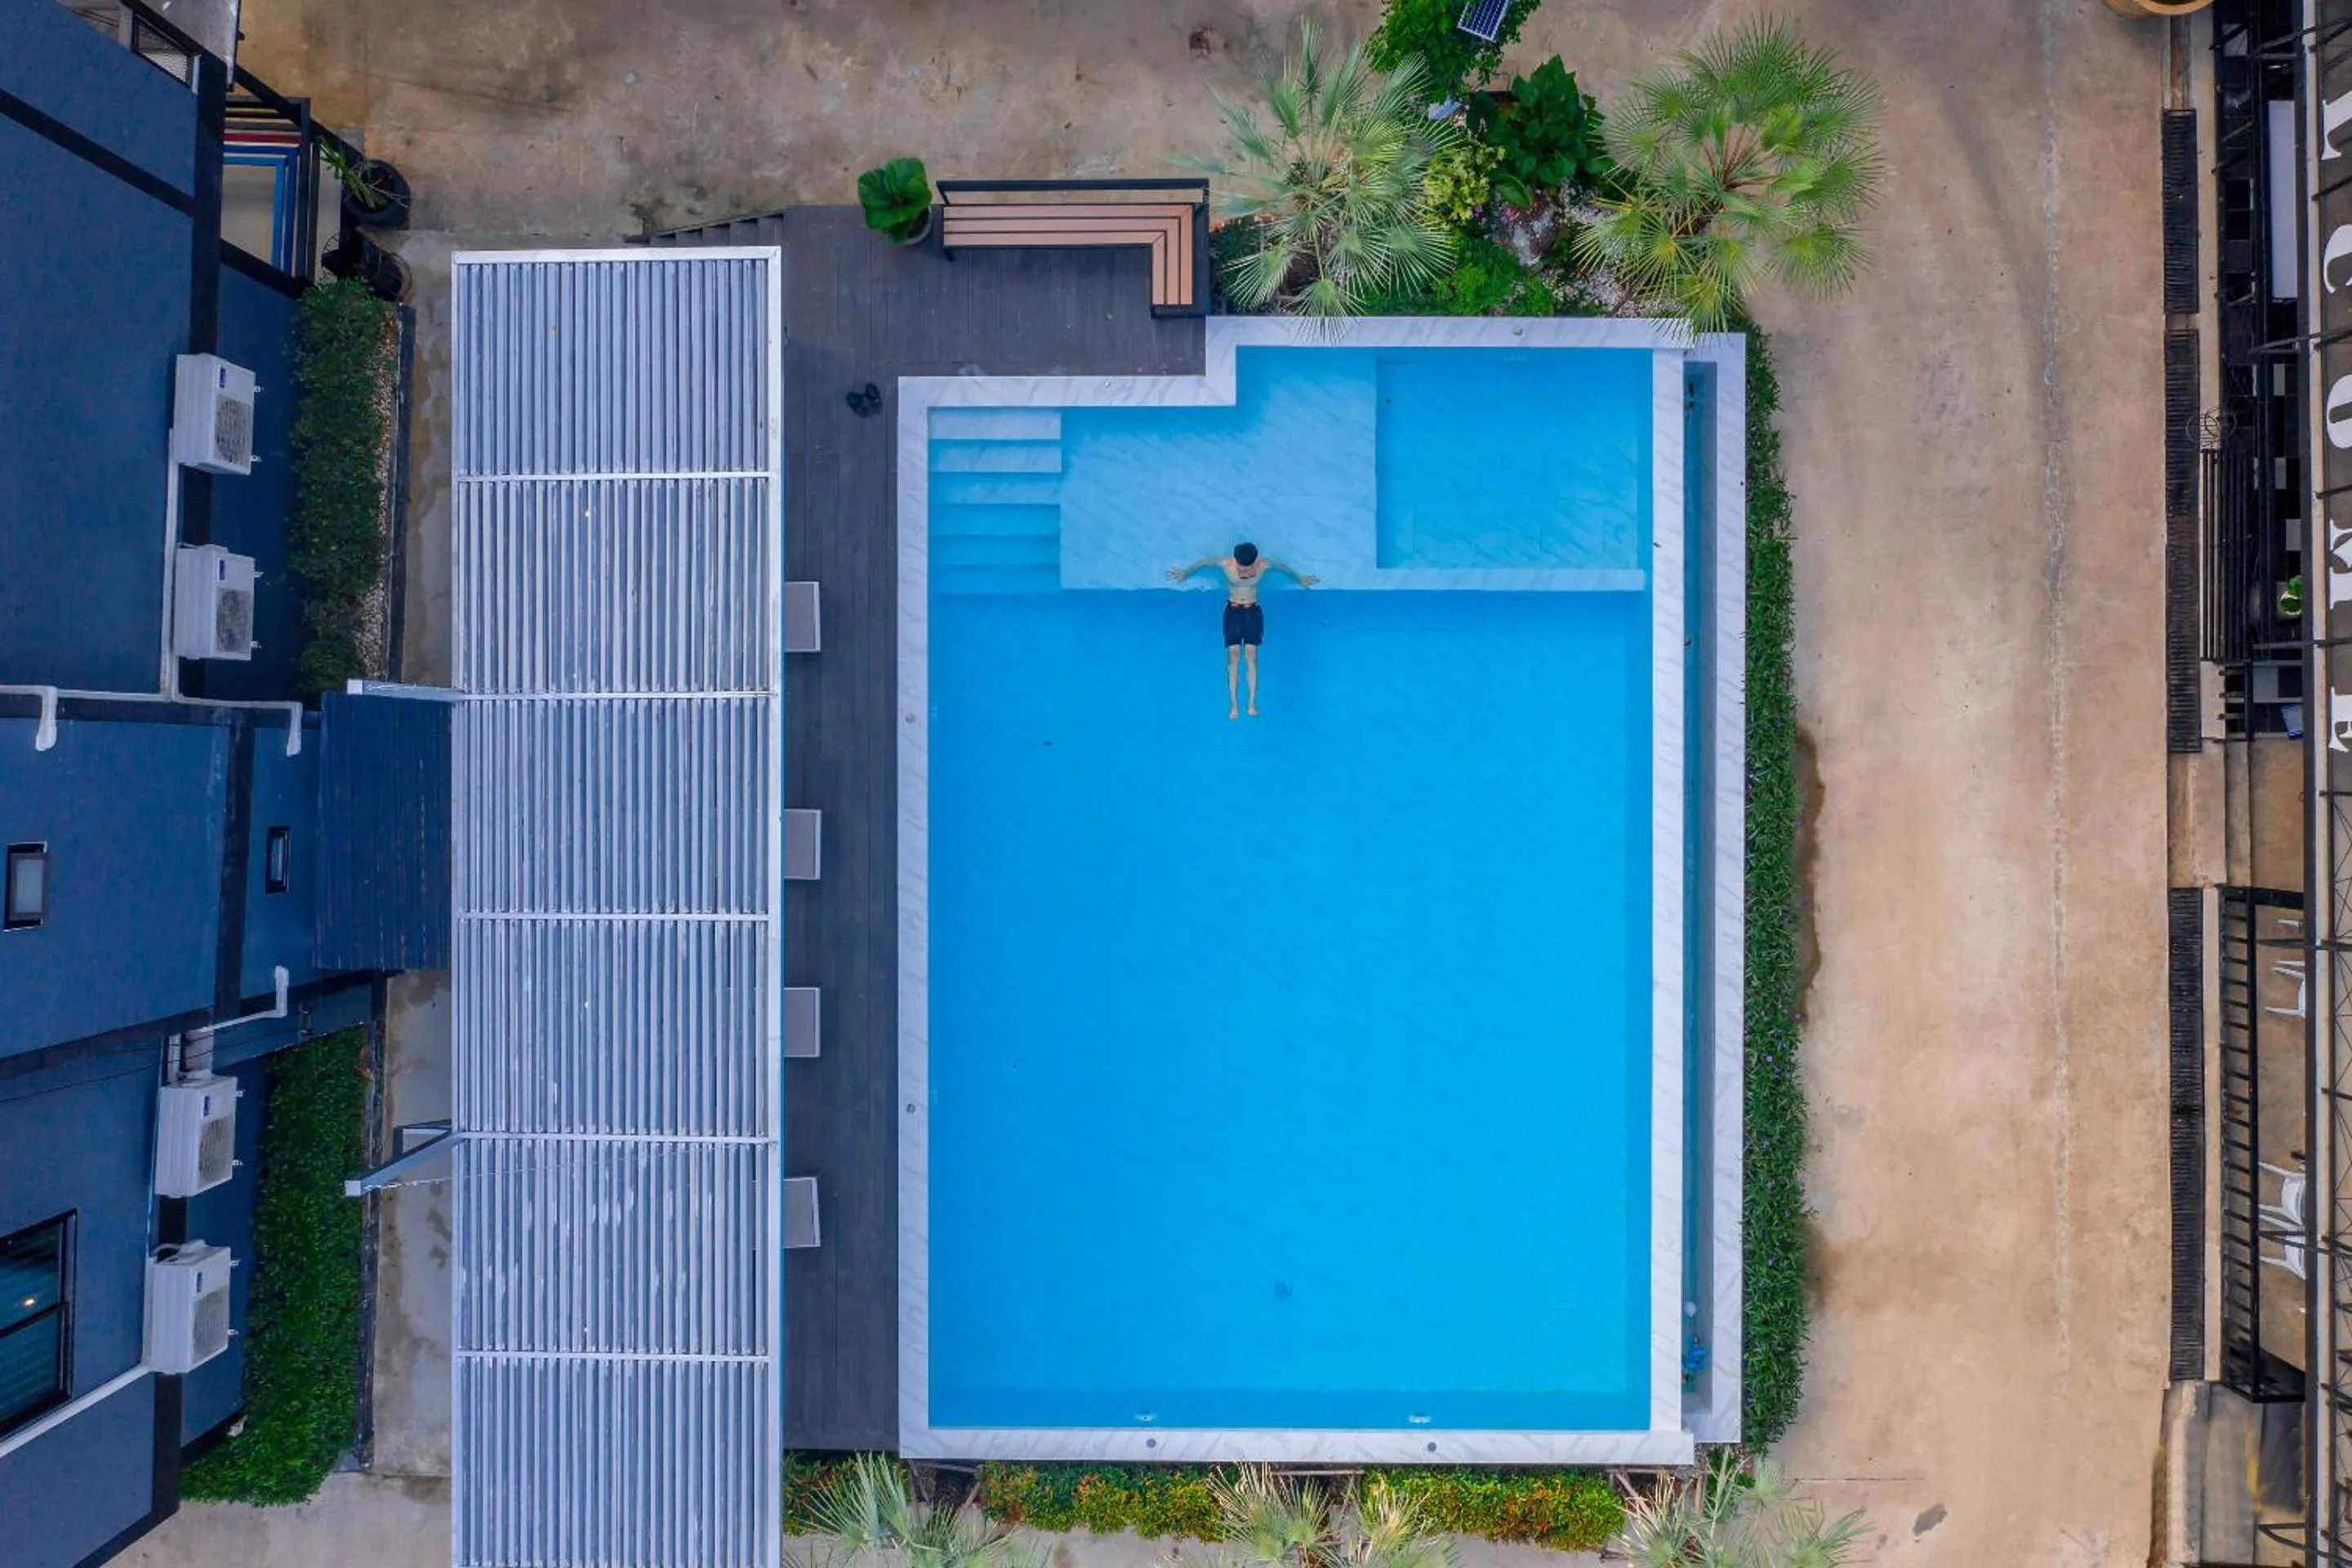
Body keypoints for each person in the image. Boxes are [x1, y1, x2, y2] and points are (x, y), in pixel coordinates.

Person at [1166, 542, 1318, 718]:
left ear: (1256, 561)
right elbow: (1204, 562)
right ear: (1235, 560)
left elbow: (1282, 568)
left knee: (1252, 657)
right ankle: (1234, 705)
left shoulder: (1263, 565)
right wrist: (1185, 572)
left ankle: (1252, 704)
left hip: (1253, 612)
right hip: (1232, 612)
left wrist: (1299, 578)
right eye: (1241, 568)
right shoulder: (1226, 564)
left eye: (1249, 568)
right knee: (1233, 657)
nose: (1245, 573)